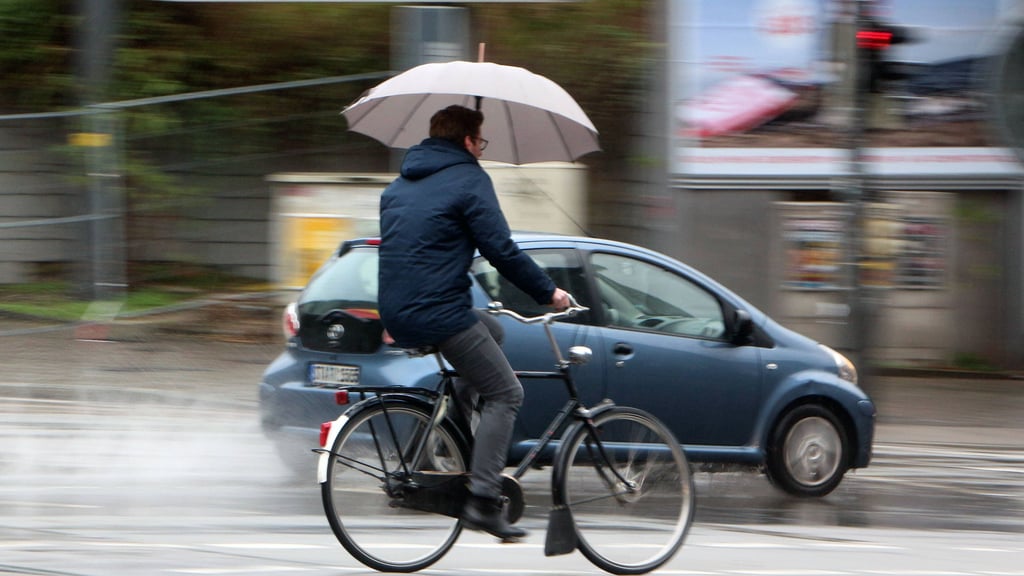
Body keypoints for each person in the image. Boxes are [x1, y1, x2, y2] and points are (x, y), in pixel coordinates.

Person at [378, 104, 570, 541]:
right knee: (506, 392)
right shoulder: (468, 179)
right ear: (467, 140)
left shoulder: (399, 186)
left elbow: (424, 247)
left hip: (399, 309)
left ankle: (451, 431)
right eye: (479, 142)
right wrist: (549, 293)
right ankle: (482, 500)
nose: (481, 150)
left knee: (495, 331)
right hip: (439, 311)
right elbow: (502, 250)